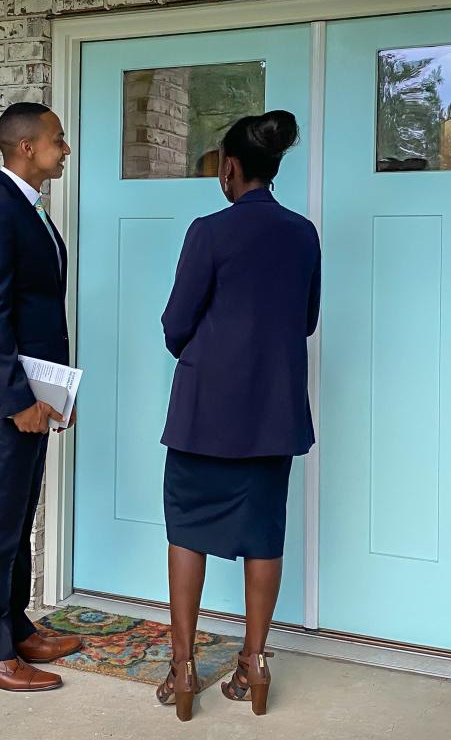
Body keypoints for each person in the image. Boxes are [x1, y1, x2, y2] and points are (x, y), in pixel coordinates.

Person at [155, 110, 321, 721]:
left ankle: (182, 669)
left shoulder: (208, 231)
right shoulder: (303, 233)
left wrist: (206, 351)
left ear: (230, 168)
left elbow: (176, 323)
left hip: (205, 411)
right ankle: (255, 664)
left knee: (187, 528)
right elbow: (305, 319)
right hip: (272, 414)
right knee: (263, 535)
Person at [0, 102, 81, 692]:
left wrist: (55, 391)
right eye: (58, 139)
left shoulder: (32, 213)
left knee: (19, 515)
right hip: (4, 396)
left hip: (34, 392)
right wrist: (18, 399)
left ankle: (14, 627)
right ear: (26, 146)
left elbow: (37, 313)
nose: (65, 148)